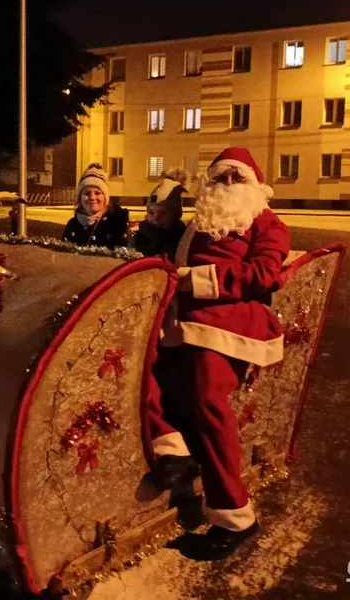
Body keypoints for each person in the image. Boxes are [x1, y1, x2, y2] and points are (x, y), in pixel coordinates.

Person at [146, 147, 290, 562]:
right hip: (180, 322)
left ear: (254, 185)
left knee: (206, 400)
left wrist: (195, 281)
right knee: (142, 373)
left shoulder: (266, 223)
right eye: (220, 177)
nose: (227, 184)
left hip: (231, 324)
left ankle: (235, 516)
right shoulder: (198, 225)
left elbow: (263, 275)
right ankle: (174, 451)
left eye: (236, 177)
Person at [61, 163, 129, 249]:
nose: (92, 198)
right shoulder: (73, 225)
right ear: (80, 198)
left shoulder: (117, 223)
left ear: (105, 197)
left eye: (97, 193)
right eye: (87, 193)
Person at [131, 172, 187, 260]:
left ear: (174, 215)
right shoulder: (139, 239)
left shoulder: (181, 243)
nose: (156, 219)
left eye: (163, 213)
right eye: (151, 213)